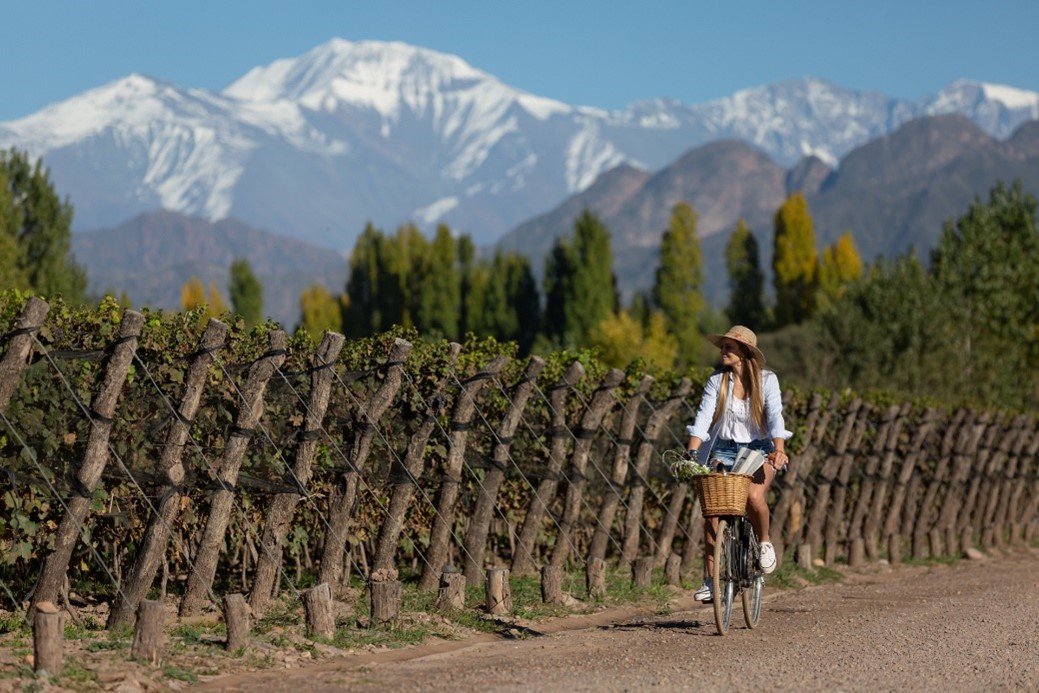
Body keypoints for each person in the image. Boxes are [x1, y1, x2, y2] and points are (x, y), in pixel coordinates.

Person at [685, 325, 791, 602]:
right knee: (712, 511)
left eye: (729, 347)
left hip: (759, 450)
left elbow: (776, 416)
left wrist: (779, 449)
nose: (723, 351)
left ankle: (765, 542)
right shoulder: (717, 380)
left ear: (744, 352)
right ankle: (711, 580)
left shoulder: (767, 381)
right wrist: (692, 453)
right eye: (723, 346)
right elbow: (703, 416)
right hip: (724, 449)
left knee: (754, 497)